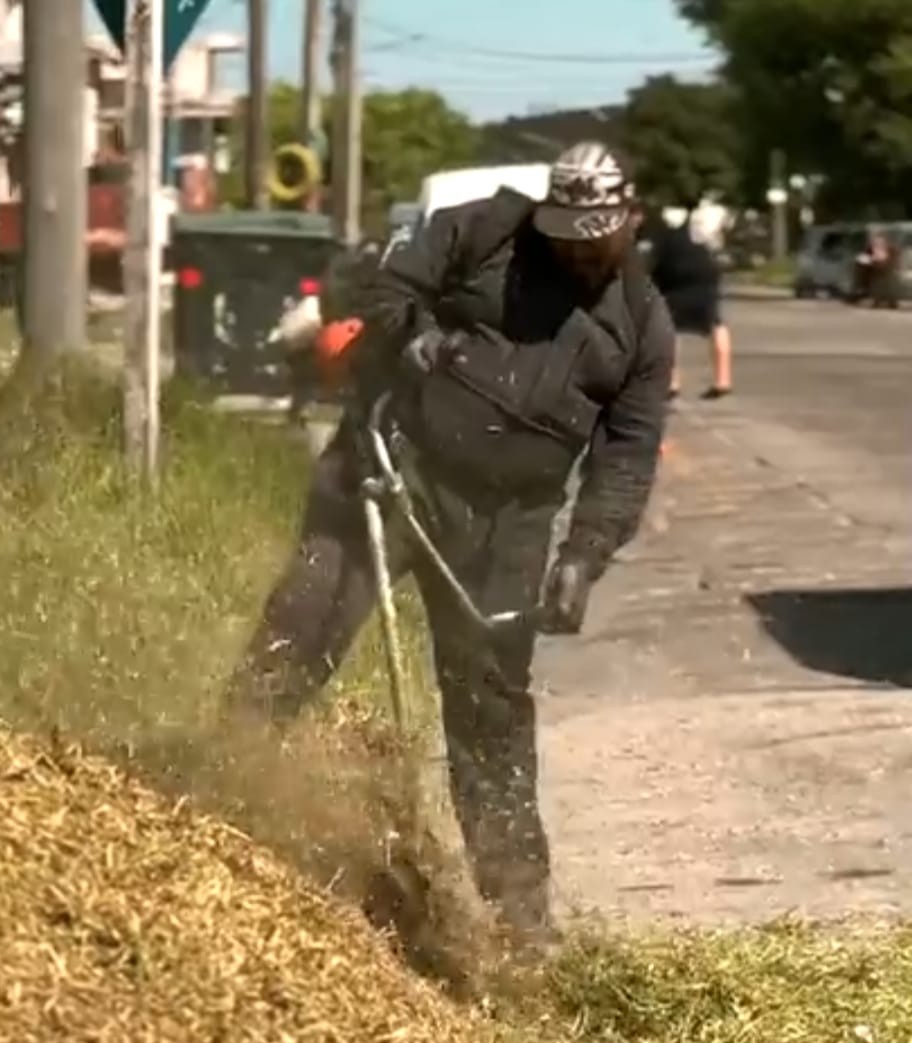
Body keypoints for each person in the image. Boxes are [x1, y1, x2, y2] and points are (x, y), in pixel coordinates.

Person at [223, 142, 674, 948]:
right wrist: (413, 333)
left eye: (594, 240)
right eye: (567, 235)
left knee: (490, 712)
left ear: (626, 223)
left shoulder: (639, 324)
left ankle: (518, 918)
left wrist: (583, 556)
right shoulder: (482, 232)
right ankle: (216, 788)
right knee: (302, 630)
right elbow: (382, 286)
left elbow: (628, 453)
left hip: (506, 525)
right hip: (395, 470)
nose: (578, 252)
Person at [648, 207, 733, 400]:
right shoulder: (708, 220)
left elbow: (657, 263)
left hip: (676, 279)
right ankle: (723, 380)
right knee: (716, 324)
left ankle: (672, 382)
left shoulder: (668, 232)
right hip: (706, 275)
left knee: (670, 329)